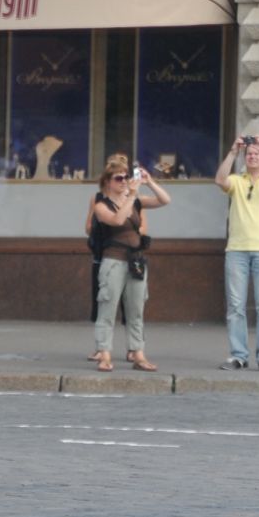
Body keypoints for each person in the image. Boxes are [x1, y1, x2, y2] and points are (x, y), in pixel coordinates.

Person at [88, 156, 171, 372]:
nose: (124, 181)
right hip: (113, 262)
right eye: (118, 178)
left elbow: (165, 200)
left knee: (136, 310)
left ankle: (138, 353)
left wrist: (149, 182)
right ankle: (104, 354)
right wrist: (132, 195)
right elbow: (117, 220)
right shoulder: (101, 205)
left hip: (135, 261)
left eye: (126, 177)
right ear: (107, 181)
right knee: (107, 309)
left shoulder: (135, 200)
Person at [214, 135, 259, 371]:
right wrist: (233, 151)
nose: (252, 156)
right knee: (235, 305)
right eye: (250, 154)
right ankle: (238, 355)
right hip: (237, 250)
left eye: (257, 154)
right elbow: (219, 179)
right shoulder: (237, 180)